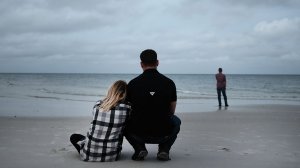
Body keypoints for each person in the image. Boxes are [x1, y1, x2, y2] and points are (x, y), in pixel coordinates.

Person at [125, 49, 181, 161]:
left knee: (124, 121)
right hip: (163, 133)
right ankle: (164, 149)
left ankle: (139, 148)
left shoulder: (132, 83)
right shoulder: (169, 83)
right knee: (177, 121)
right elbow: (172, 110)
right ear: (157, 62)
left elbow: (128, 109)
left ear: (141, 64)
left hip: (138, 133)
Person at [70, 80, 131, 162]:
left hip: (88, 155)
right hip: (112, 156)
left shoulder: (98, 104)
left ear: (111, 90)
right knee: (122, 128)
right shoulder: (127, 108)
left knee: (74, 137)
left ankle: (90, 147)